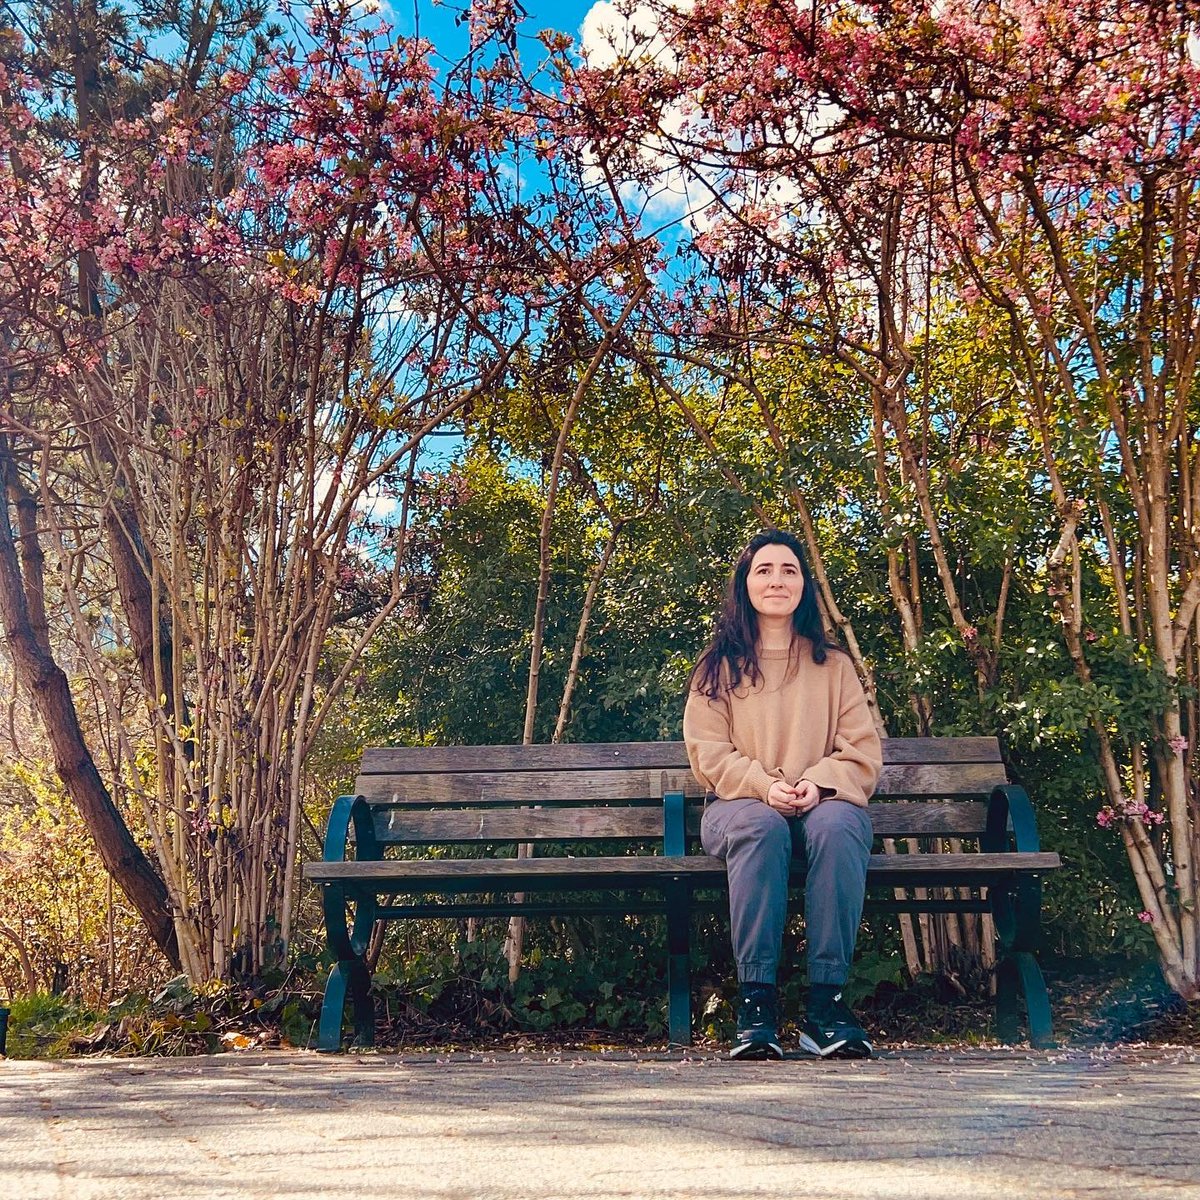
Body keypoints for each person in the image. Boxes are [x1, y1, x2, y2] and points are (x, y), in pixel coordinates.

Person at [683, 529, 883, 1060]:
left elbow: (861, 750)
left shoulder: (834, 666)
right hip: (739, 808)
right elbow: (709, 753)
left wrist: (816, 784)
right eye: (764, 570)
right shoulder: (717, 667)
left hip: (823, 803)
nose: (777, 580)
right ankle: (756, 1004)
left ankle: (826, 1006)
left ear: (804, 586)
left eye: (789, 570)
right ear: (745, 585)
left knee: (840, 826)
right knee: (761, 825)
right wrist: (764, 787)